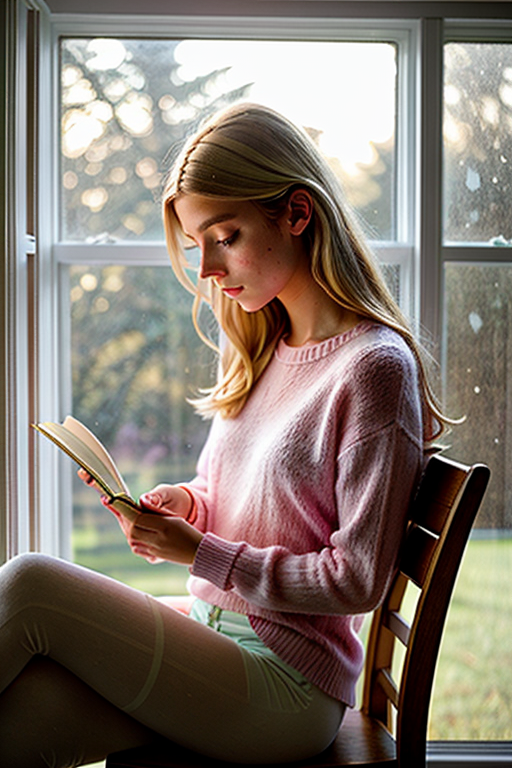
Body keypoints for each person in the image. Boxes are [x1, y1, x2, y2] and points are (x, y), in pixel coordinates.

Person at [0, 103, 449, 768]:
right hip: (214, 642)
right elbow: (248, 503)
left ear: (297, 214)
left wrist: (201, 552)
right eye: (196, 246)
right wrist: (187, 508)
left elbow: (355, 581)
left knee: (33, 583)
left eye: (224, 236)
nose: (207, 268)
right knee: (19, 720)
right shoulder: (266, 347)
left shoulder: (373, 369)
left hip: (287, 688)